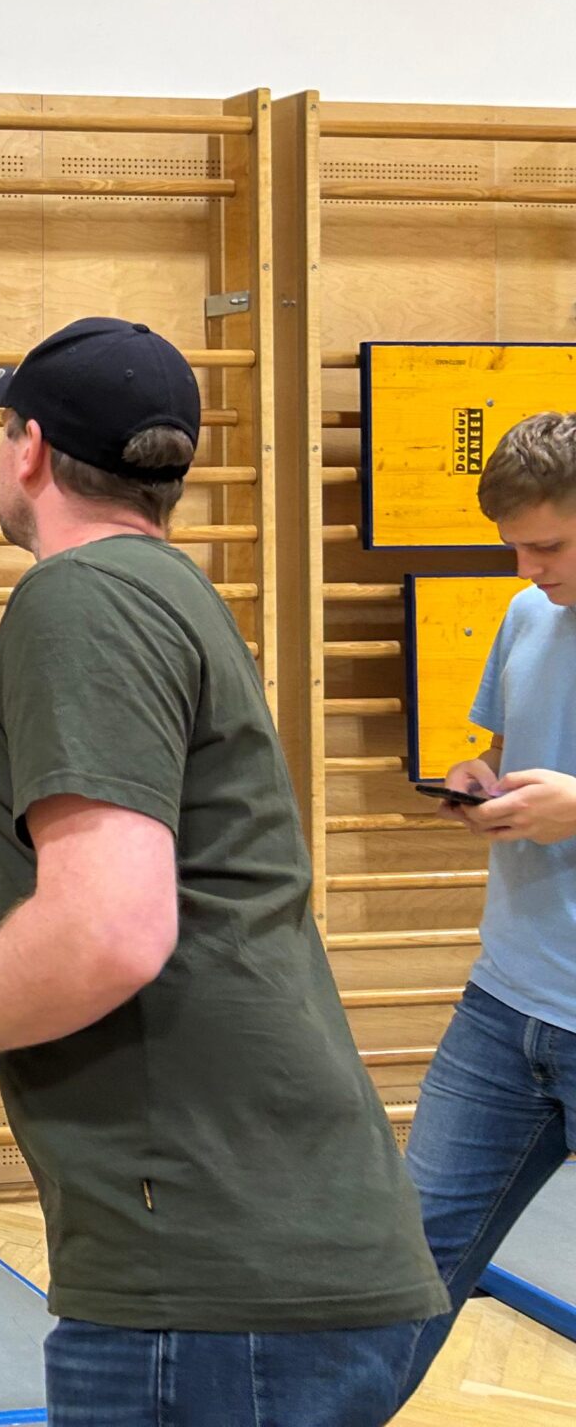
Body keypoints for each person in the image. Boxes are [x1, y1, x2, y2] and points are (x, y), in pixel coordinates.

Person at [0, 317, 445, 1426]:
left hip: (213, 1275)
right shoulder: (166, 590)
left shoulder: (80, 600)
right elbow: (92, 896)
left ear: (29, 449)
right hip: (261, 1256)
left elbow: (107, 930)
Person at [397, 412, 576, 1399]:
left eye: (549, 545)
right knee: (398, 1269)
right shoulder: (523, 614)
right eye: (515, 546)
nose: (528, 567)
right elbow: (509, 757)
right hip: (502, 1010)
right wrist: (485, 786)